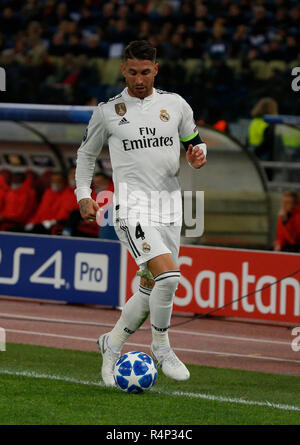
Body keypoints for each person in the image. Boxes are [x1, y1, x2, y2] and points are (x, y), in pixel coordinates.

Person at [75, 40, 207, 386]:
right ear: (124, 70)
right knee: (170, 277)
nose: (138, 79)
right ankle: (161, 347)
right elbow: (86, 155)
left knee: (151, 287)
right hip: (131, 207)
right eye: (132, 72)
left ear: (155, 70)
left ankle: (112, 343)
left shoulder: (175, 104)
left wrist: (198, 153)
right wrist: (83, 194)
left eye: (145, 72)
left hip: (169, 208)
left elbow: (194, 140)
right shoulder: (108, 111)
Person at [248, 97, 278, 180]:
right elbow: (268, 143)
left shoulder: (254, 122)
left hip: (252, 152)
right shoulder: (269, 124)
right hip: (263, 155)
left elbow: (248, 139)